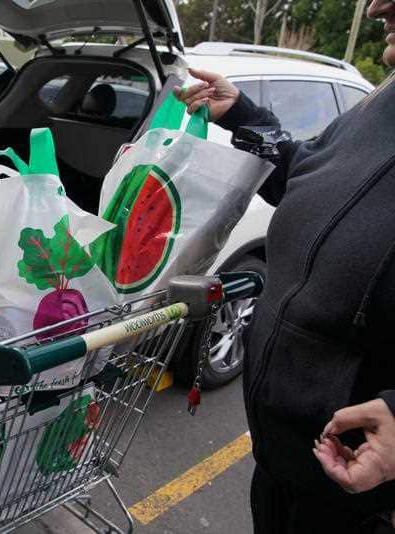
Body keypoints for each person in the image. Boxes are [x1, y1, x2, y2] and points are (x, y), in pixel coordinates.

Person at [175, 0, 395, 532]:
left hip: (362, 502)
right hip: (283, 467)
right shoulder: (380, 105)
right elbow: (306, 177)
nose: (376, 7)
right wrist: (244, 115)